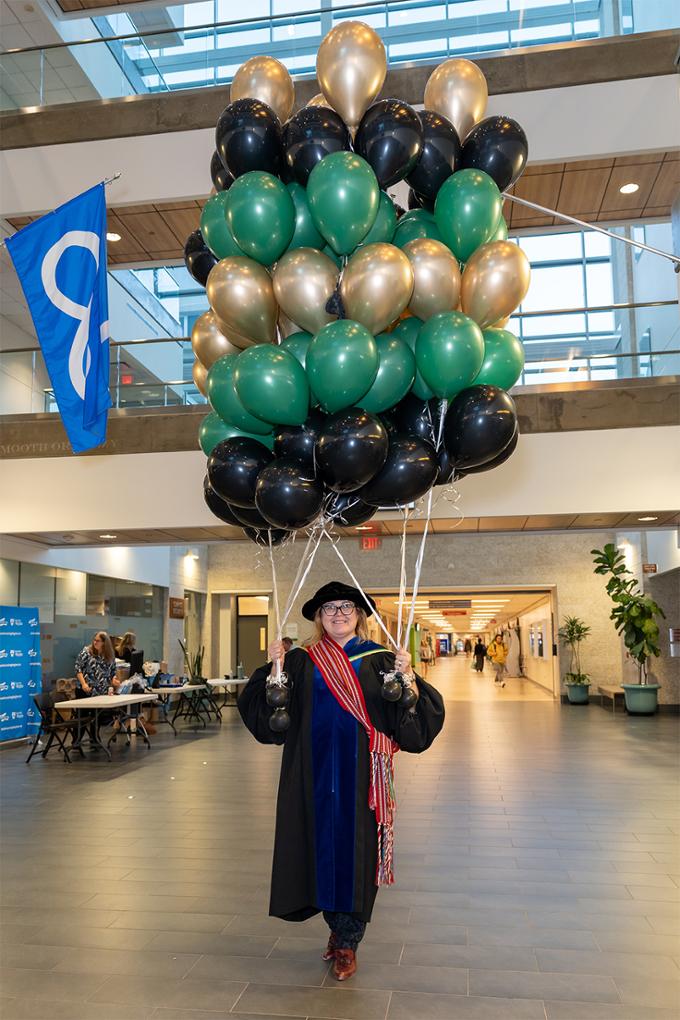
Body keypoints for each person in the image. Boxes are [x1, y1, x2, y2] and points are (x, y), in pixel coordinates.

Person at [238, 581, 444, 982]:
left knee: (355, 853)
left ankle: (348, 941)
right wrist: (272, 667)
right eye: (329, 608)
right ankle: (335, 930)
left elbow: (414, 719)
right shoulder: (302, 660)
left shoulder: (380, 659)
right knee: (318, 849)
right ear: (319, 617)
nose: (337, 613)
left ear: (359, 615)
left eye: (345, 607)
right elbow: (270, 714)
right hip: (310, 771)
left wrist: (408, 678)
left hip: (360, 774)